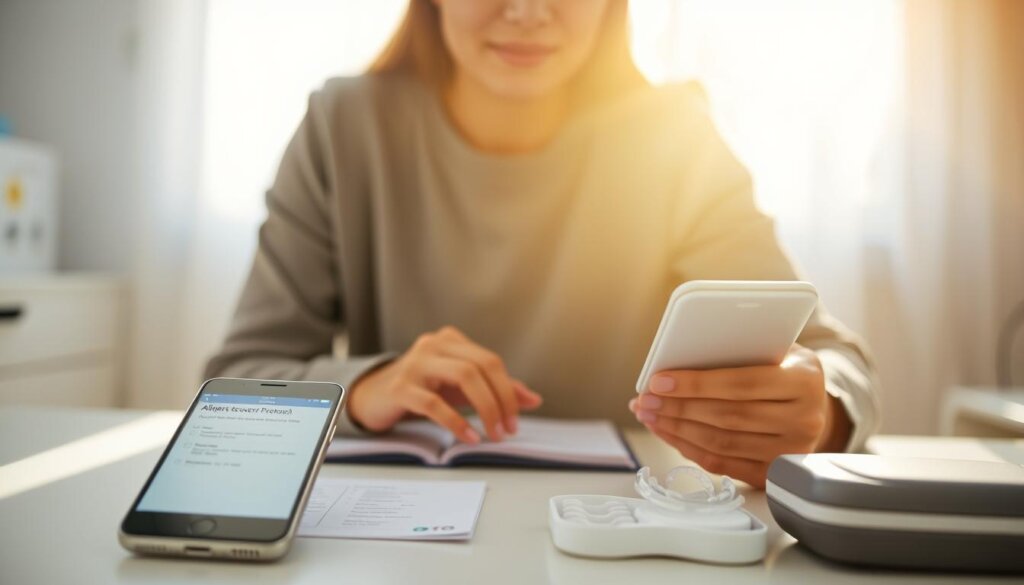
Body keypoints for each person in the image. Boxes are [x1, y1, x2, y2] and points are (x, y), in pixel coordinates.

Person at [204, 0, 881, 488]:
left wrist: (820, 414)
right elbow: (237, 379)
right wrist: (363, 389)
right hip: (404, 533)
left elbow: (833, 357)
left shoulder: (675, 136)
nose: (528, 11)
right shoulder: (342, 126)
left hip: (625, 523)